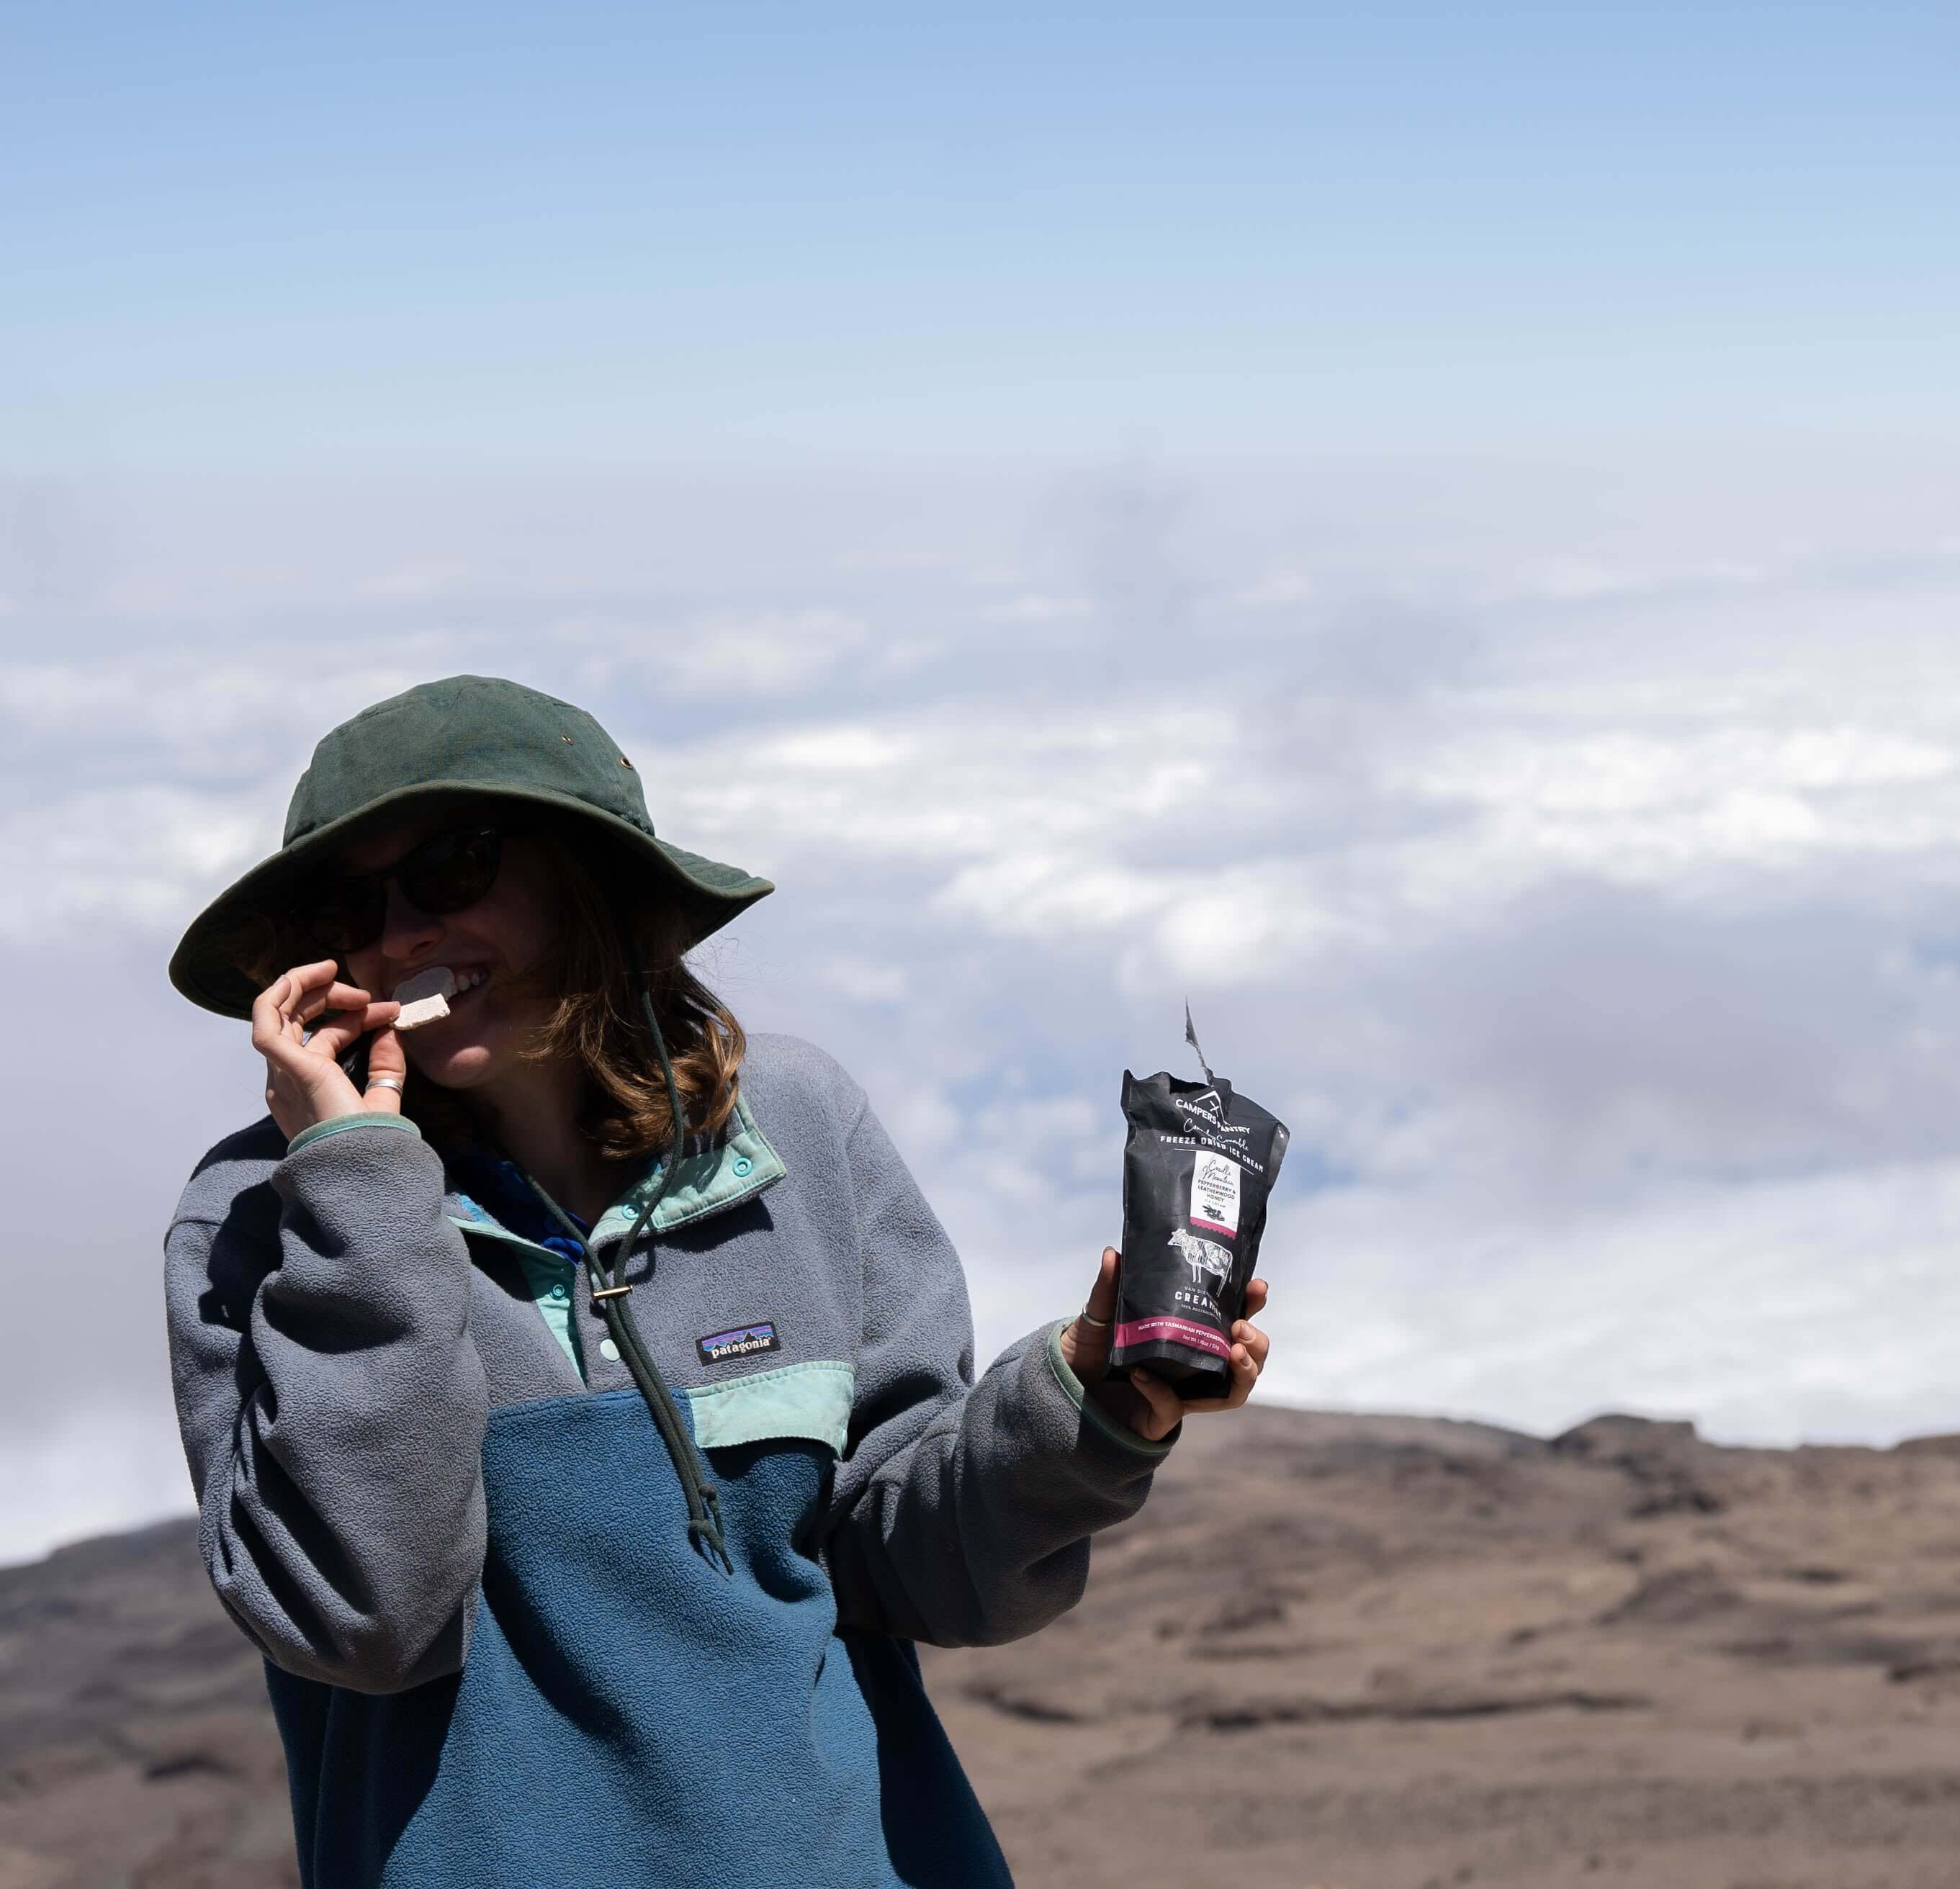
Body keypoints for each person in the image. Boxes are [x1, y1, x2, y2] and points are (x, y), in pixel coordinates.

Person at [160, 675, 1272, 1887]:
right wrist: (359, 1188)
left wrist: (1090, 1410)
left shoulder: (797, 1126)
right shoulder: (263, 1212)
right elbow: (371, 1618)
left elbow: (904, 1563)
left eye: (453, 869)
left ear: (592, 885)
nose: (399, 935)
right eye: (351, 904)